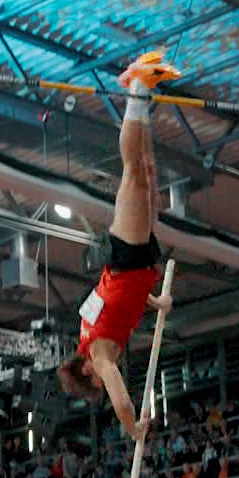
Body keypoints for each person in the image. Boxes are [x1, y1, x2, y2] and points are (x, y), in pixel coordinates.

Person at [58, 52, 180, 438]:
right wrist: (156, 301)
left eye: (97, 382)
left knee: (133, 172)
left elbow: (123, 403)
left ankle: (137, 87)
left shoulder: (99, 353)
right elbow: (120, 302)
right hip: (134, 264)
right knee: (143, 171)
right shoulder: (100, 335)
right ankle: (140, 90)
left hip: (126, 257)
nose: (106, 378)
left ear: (87, 371)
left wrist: (133, 428)